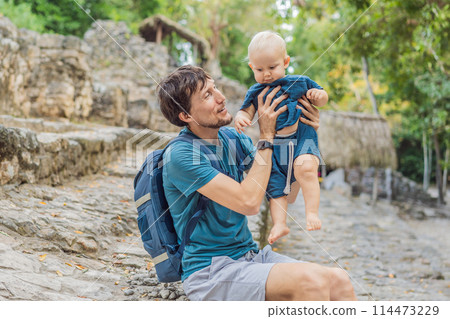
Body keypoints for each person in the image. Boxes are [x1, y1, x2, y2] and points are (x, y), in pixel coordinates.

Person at [158, 65, 356, 301]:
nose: (222, 98)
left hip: (249, 255)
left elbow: (286, 194)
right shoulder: (181, 155)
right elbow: (250, 203)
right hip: (210, 272)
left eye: (215, 88)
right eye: (207, 95)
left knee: (338, 280)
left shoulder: (232, 139)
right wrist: (267, 137)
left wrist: (301, 137)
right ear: (185, 115)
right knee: (311, 283)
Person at [235, 31, 328, 244]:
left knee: (305, 168)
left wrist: (318, 97)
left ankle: (312, 212)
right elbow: (246, 110)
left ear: (285, 62)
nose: (266, 74)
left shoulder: (299, 82)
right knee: (275, 187)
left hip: (302, 138)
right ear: (252, 67)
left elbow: (322, 95)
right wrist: (241, 116)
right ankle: (279, 224)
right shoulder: (255, 90)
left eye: (272, 67)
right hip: (275, 146)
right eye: (260, 69)